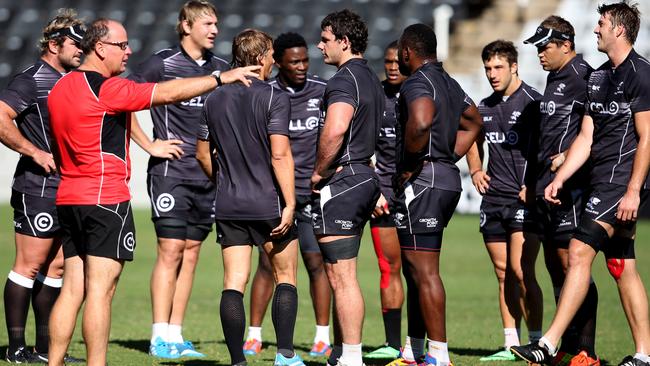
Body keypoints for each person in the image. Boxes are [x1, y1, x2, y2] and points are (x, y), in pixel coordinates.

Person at [46, 18, 258, 366]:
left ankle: (53, 362)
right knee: (100, 291)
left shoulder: (60, 87)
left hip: (69, 196)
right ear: (100, 48)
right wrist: (219, 77)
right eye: (122, 45)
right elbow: (166, 93)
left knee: (72, 288)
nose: (129, 51)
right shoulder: (107, 88)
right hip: (105, 199)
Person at [511, 3, 650, 366]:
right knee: (621, 264)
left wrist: (634, 189)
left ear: (619, 29)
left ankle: (550, 343)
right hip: (599, 180)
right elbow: (585, 137)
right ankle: (644, 354)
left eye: (602, 23)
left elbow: (647, 137)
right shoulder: (599, 77)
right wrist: (559, 177)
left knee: (577, 252)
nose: (596, 29)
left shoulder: (642, 74)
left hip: (619, 181)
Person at [196, 28, 305, 366]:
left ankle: (237, 361)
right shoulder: (275, 97)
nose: (274, 61)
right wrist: (290, 203)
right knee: (285, 276)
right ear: (260, 59)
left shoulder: (213, 98)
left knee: (233, 282)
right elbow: (280, 155)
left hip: (229, 203)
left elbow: (202, 155)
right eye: (271, 55)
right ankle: (285, 355)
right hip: (268, 202)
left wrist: (225, 182)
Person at [128, 1, 229, 358]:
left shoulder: (222, 69)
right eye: (207, 23)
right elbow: (122, 101)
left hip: (208, 176)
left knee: (191, 253)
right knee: (170, 251)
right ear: (185, 26)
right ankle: (158, 336)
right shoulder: (161, 63)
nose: (214, 29)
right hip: (170, 174)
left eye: (216, 23)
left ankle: (175, 334)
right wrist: (149, 145)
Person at [389, 23, 482, 366]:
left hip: (423, 182)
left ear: (407, 52)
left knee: (424, 271)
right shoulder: (451, 83)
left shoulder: (418, 82)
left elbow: (421, 122)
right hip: (444, 179)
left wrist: (414, 163)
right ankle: (414, 350)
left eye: (401, 51)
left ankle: (439, 355)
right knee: (416, 268)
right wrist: (447, 155)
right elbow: (474, 122)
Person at [0, 9, 84, 364]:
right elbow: (1, 117)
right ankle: (16, 348)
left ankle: (47, 349)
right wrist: (33, 150)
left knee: (57, 267)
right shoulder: (31, 80)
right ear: (54, 44)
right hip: (38, 186)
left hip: (69, 187)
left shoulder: (74, 79)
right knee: (28, 265)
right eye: (75, 45)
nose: (81, 50)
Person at [242, 32, 332, 358]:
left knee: (315, 261)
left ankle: (322, 335)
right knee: (267, 264)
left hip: (312, 191)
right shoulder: (266, 93)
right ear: (277, 61)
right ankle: (253, 333)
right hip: (276, 193)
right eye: (294, 61)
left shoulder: (322, 91)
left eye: (305, 60)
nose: (302, 66)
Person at [523, 15, 600, 366]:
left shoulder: (586, 76)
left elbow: (600, 130)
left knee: (574, 267)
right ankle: (566, 348)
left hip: (573, 188)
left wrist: (568, 157)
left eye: (545, 46)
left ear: (566, 44)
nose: (540, 53)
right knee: (555, 265)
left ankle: (586, 352)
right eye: (538, 47)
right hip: (546, 186)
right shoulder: (554, 77)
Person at [310, 9, 383, 366]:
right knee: (345, 274)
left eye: (325, 39)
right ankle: (343, 353)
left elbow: (336, 129)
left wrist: (317, 172)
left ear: (344, 41)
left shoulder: (343, 79)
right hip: (365, 178)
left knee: (341, 276)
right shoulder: (371, 76)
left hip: (344, 180)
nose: (319, 46)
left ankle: (352, 356)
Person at [464, 39, 544, 362]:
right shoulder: (483, 107)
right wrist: (475, 168)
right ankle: (511, 343)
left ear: (514, 67)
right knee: (502, 273)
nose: (492, 74)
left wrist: (535, 184)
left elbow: (547, 147)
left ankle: (537, 342)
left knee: (522, 270)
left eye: (498, 67)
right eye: (487, 69)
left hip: (524, 201)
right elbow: (471, 138)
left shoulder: (533, 104)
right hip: (493, 201)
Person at [364, 40, 406, 361]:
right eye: (387, 61)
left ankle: (424, 344)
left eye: (397, 61)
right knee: (388, 267)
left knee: (420, 271)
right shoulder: (374, 95)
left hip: (419, 195)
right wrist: (373, 187)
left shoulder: (423, 91)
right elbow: (357, 145)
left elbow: (468, 121)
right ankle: (393, 343)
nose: (392, 67)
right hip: (383, 198)